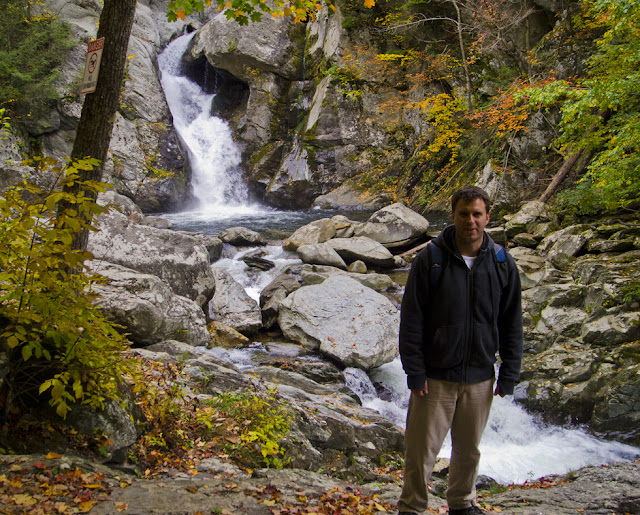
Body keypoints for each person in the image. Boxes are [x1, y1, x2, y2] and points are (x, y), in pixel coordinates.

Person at [397, 186, 523, 515]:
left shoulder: (501, 263)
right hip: (435, 377)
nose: (471, 221)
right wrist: (415, 371)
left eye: (477, 214)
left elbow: (512, 322)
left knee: (468, 451)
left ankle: (462, 504)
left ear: (487, 217)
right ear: (452, 215)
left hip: (480, 375)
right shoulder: (431, 259)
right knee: (421, 452)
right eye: (464, 213)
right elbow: (412, 318)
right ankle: (412, 507)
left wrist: (509, 373)